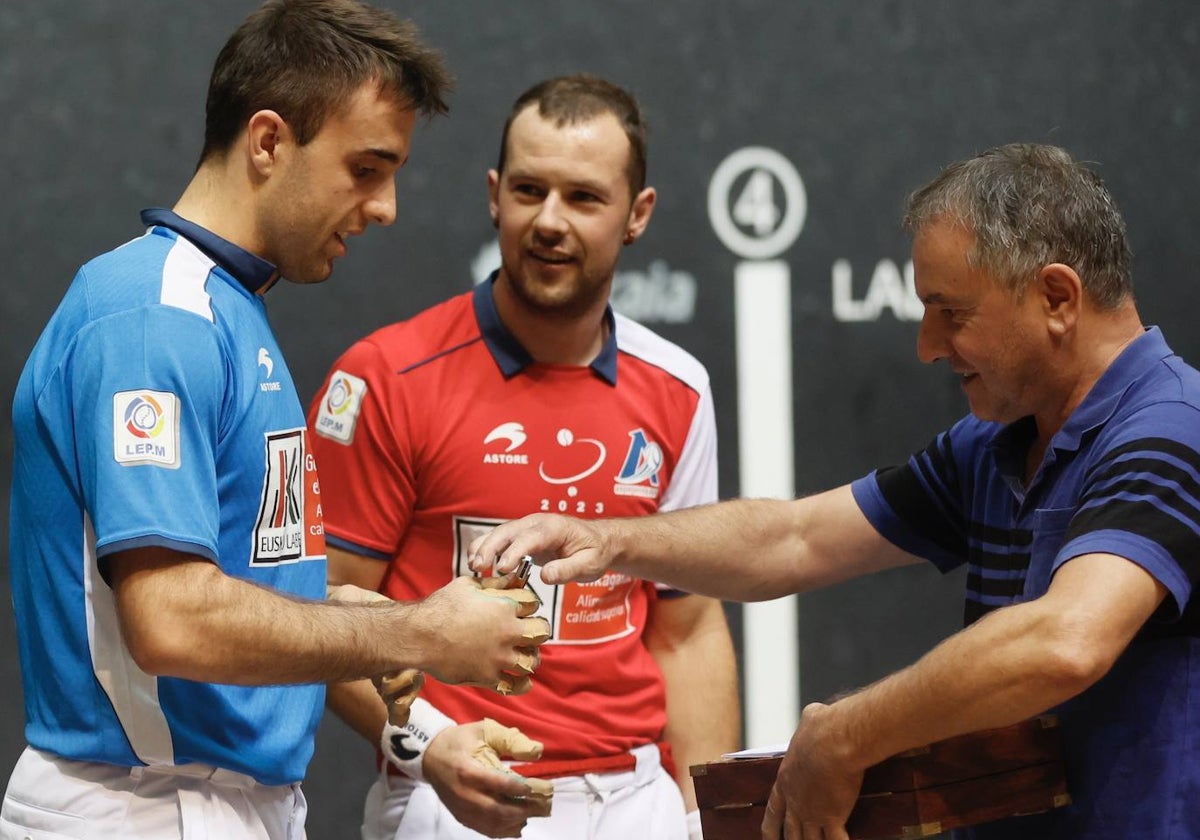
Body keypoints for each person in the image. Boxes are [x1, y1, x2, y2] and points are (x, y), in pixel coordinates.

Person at [470, 142, 1200, 840]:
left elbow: (1065, 641)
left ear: (1057, 297)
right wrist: (614, 541)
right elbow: (795, 539)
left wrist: (850, 733)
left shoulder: (1171, 427)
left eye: (952, 312)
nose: (927, 346)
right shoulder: (997, 441)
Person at [1, 2, 550, 838]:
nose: (386, 206)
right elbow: (172, 618)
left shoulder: (227, 308)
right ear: (267, 141)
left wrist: (359, 623)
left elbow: (222, 581)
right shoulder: (155, 318)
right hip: (140, 807)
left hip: (218, 802)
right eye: (366, 168)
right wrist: (422, 630)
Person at [307, 74, 740, 840]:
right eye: (529, 190)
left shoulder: (678, 388)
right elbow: (321, 615)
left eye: (583, 198)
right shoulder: (385, 378)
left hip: (636, 800)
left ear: (637, 214)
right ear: (493, 194)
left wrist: (705, 816)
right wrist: (427, 745)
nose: (548, 221)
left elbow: (689, 625)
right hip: (453, 796)